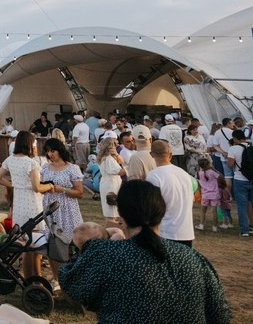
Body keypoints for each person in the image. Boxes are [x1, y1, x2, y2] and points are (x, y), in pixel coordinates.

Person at [60, 180, 230, 323]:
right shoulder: (194, 259)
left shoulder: (107, 255)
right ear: (161, 212)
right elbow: (220, 315)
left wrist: (97, 243)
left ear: (120, 212)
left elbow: (70, 280)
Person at [0, 131, 55, 280]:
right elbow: (36, 187)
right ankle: (37, 277)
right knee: (35, 246)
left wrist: (14, 185)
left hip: (19, 204)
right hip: (32, 204)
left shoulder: (10, 160)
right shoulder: (31, 163)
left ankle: (29, 279)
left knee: (26, 246)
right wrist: (50, 186)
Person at [147, 140, 196, 247]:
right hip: (186, 232)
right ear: (170, 154)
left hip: (165, 232)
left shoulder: (153, 176)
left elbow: (152, 207)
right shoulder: (184, 174)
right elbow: (192, 199)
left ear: (151, 155)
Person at [40, 137, 85, 244]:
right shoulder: (45, 167)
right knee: (52, 241)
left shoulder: (72, 168)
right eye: (47, 151)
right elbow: (41, 187)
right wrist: (44, 188)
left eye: (52, 151)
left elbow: (79, 193)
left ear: (60, 150)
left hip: (67, 207)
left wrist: (63, 189)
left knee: (71, 239)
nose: (50, 154)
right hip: (49, 206)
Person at [227, 128, 253, 238]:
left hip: (240, 180)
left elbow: (230, 164)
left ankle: (244, 230)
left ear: (235, 139)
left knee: (242, 206)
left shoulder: (233, 149)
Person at [97, 137, 125, 227]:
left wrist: (116, 154)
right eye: (113, 146)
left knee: (112, 212)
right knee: (111, 213)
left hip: (109, 183)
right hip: (111, 185)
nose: (115, 147)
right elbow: (119, 172)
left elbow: (122, 161)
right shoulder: (108, 159)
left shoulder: (108, 158)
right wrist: (131, 168)